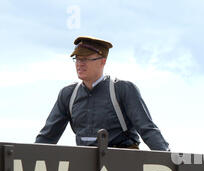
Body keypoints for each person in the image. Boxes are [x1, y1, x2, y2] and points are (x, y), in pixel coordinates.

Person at [35, 36, 170, 151]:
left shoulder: (123, 89)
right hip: (83, 166)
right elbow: (47, 136)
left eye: (86, 59)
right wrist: (27, 159)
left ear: (103, 61)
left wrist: (170, 161)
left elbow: (147, 129)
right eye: (77, 58)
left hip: (123, 164)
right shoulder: (68, 94)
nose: (79, 64)